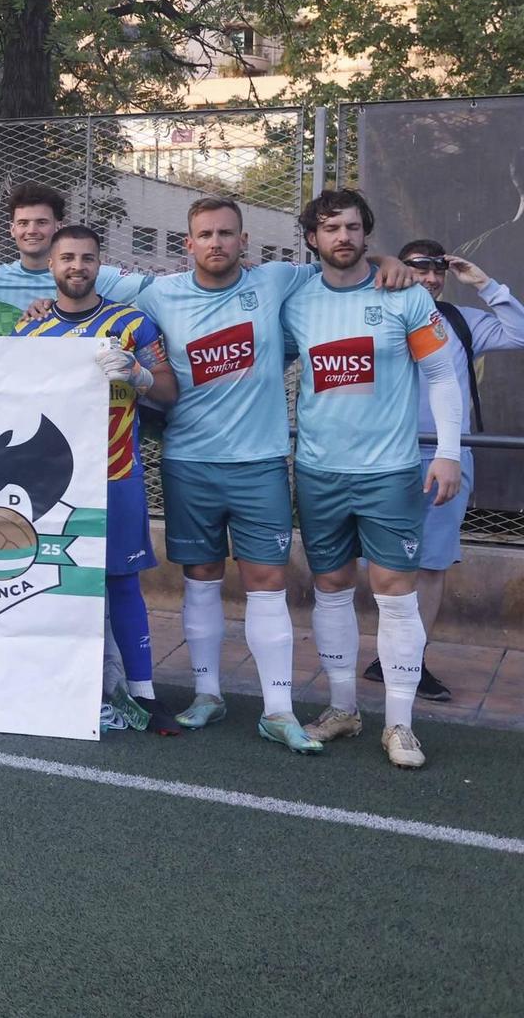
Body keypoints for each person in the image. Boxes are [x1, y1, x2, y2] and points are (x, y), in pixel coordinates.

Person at [132, 195, 415, 749]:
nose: (216, 243)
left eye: (227, 234)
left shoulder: (277, 279)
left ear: (244, 242)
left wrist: (387, 261)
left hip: (261, 463)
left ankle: (279, 710)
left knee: (268, 584)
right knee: (200, 581)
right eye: (206, 234)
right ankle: (208, 695)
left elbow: (344, 258)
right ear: (187, 244)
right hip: (188, 462)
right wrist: (44, 302)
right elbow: (86, 287)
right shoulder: (158, 293)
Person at [284, 192, 461, 770]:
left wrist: (449, 453)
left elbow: (440, 375)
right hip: (317, 470)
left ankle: (401, 725)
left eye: (354, 227)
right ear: (311, 237)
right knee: (330, 585)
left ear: (368, 234)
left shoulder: (404, 293)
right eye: (331, 227)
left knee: (394, 592)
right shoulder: (293, 296)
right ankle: (342, 709)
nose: (344, 236)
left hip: (389, 471)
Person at [13, 225, 180, 733]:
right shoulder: (29, 332)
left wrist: (140, 375)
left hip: (116, 473)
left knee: (121, 583)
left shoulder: (133, 324)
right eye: (67, 258)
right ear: (51, 264)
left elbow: (170, 393)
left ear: (98, 263)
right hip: (51, 484)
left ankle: (143, 693)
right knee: (55, 583)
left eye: (87, 258)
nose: (77, 267)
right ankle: (65, 685)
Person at [365, 240, 524, 699]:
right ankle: (388, 653)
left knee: (432, 562)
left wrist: (485, 284)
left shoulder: (458, 319)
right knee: (382, 564)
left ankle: (409, 661)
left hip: (446, 457)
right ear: (401, 268)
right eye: (420, 268)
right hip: (381, 456)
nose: (432, 278)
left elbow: (518, 331)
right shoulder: (372, 310)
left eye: (439, 271)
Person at [0, 182, 152, 309]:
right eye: (23, 223)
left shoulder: (91, 274)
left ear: (59, 227)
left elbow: (157, 289)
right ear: (12, 229)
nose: (32, 230)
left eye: (42, 222)